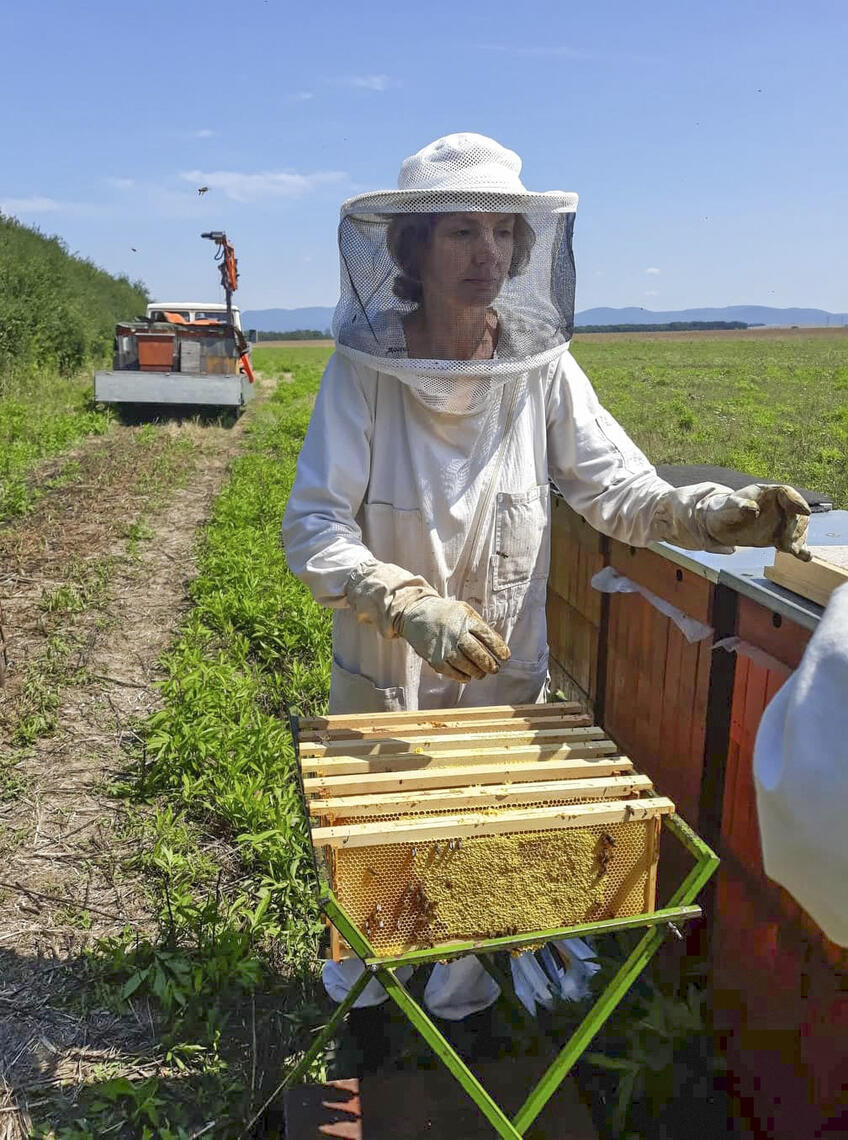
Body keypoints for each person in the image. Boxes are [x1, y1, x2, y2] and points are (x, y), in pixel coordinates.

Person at [282, 132, 811, 1021]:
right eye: (459, 231)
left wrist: (713, 512)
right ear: (411, 249)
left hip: (502, 666)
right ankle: (364, 1006)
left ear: (527, 249)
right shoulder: (363, 373)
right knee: (383, 847)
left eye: (501, 231)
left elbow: (620, 489)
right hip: (392, 665)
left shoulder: (540, 366)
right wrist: (405, 602)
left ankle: (460, 1002)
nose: (486, 252)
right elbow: (314, 527)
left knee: (485, 838)